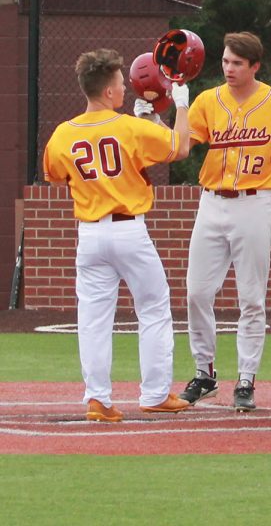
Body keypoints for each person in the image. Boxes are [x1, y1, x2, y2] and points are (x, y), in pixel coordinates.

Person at [42, 48, 192, 422]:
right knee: (154, 308)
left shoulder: (63, 133)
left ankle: (97, 398)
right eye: (120, 84)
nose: (125, 88)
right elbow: (181, 146)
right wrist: (180, 108)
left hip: (89, 234)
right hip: (128, 229)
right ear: (108, 91)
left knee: (93, 319)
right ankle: (155, 393)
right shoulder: (128, 127)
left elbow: (56, 175)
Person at [179, 32, 271, 412]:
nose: (228, 68)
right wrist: (162, 115)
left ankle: (245, 378)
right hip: (211, 201)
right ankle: (204, 373)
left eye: (237, 63)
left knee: (251, 298)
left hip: (255, 203)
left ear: (255, 65)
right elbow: (183, 146)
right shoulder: (208, 100)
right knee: (197, 292)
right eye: (225, 61)